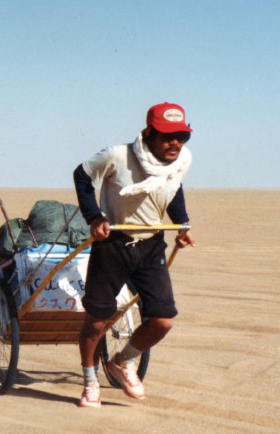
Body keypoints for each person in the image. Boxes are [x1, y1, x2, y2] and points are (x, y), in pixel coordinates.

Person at [72, 102, 196, 408]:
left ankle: (123, 362)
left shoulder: (183, 159)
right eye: (167, 136)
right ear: (149, 133)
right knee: (97, 321)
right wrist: (94, 217)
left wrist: (182, 224)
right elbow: (82, 175)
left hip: (151, 245)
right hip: (113, 244)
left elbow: (173, 187)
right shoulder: (118, 156)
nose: (175, 143)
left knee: (163, 320)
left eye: (182, 136)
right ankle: (90, 382)